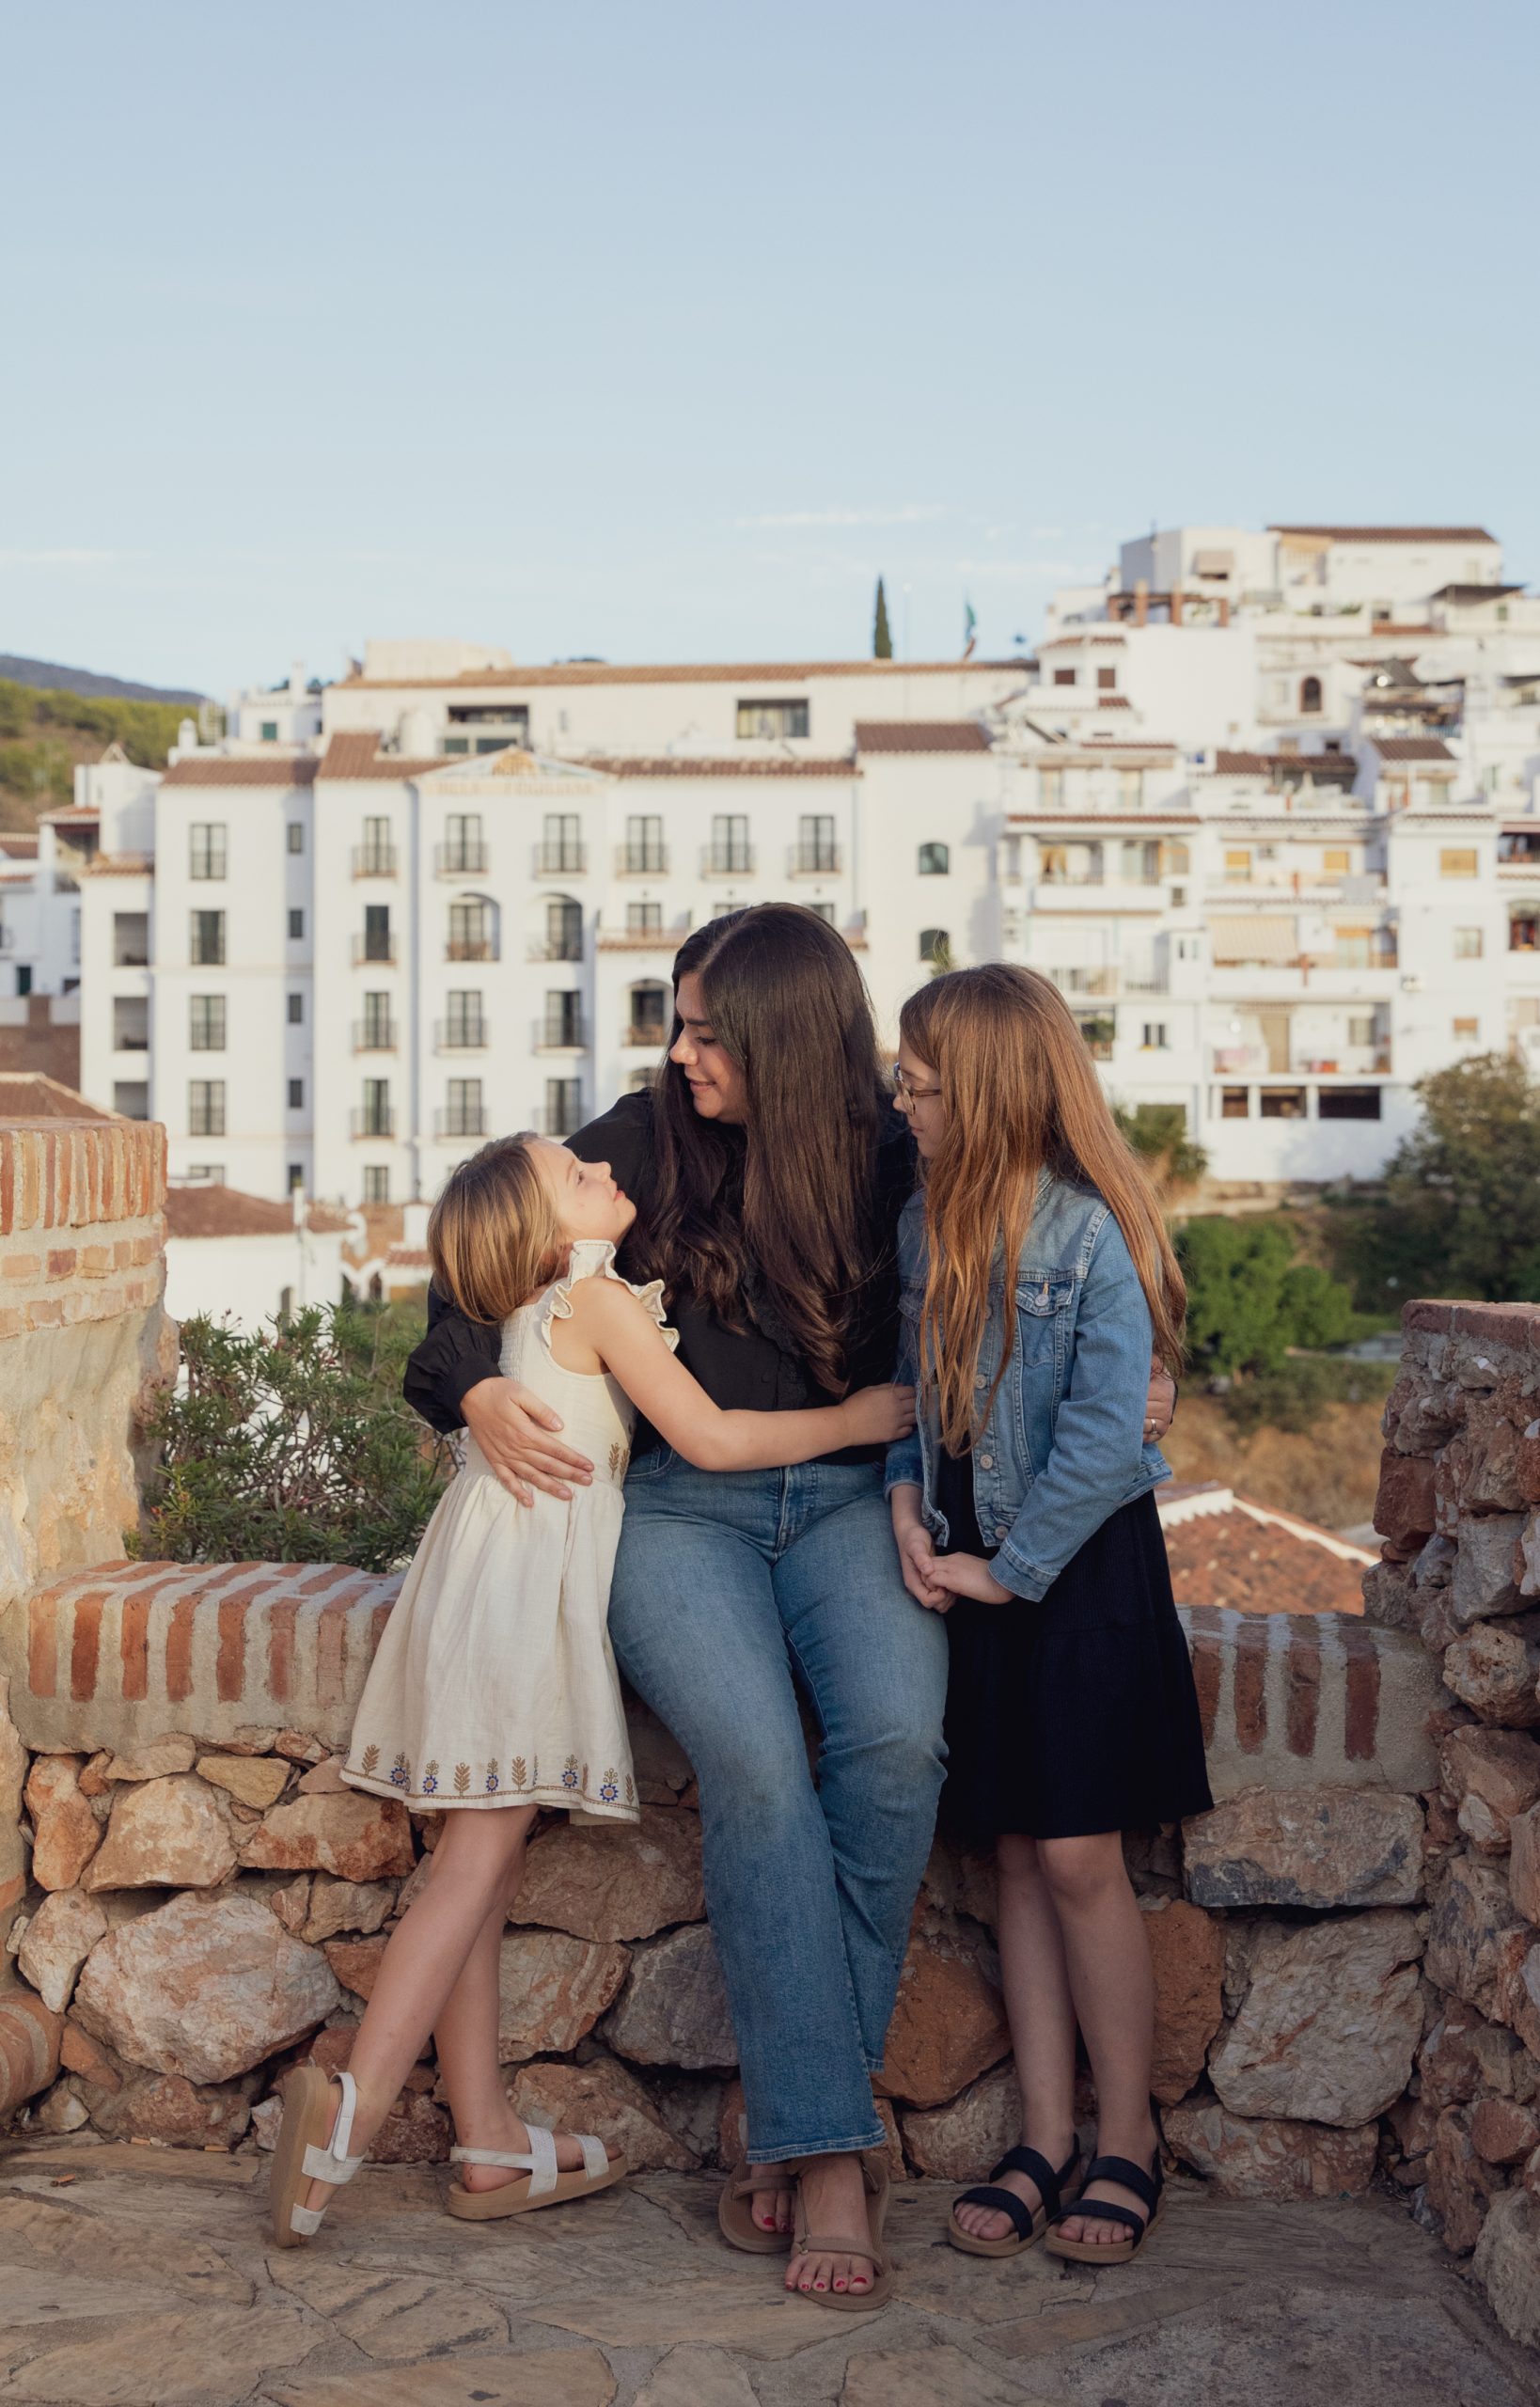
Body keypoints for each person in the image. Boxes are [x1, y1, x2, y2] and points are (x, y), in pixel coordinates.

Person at [404, 905, 1177, 2308]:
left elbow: (1037, 1278)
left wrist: (1133, 1391)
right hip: (683, 1523)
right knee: (757, 1766)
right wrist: (469, 1385)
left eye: (706, 1029)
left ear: (780, 1034)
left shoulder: (900, 1150)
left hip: (850, 1507)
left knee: (891, 1748)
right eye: (676, 1020)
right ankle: (828, 2154)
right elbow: (479, 1262)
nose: (679, 1051)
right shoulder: (646, 1137)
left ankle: (788, 2099)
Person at [269, 1125, 913, 2250]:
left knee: (480, 1862)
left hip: (468, 1586)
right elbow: (708, 1437)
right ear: (546, 1229)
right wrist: (859, 1420)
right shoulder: (595, 1294)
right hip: (521, 1601)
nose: (609, 1173)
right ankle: (345, 2121)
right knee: (474, 1864)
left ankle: (485, 2139)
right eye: (579, 1177)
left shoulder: (528, 1304)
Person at [887, 964, 1211, 2269]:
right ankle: (1038, 2132)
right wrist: (908, 1510)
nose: (901, 1103)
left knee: (1079, 1860)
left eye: (918, 1085)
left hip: (1072, 1583)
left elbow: (1103, 1437)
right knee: (1015, 1855)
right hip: (973, 1569)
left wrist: (1006, 1573)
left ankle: (1122, 2137)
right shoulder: (921, 1230)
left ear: (989, 1093)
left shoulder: (1086, 1235)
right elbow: (909, 1407)